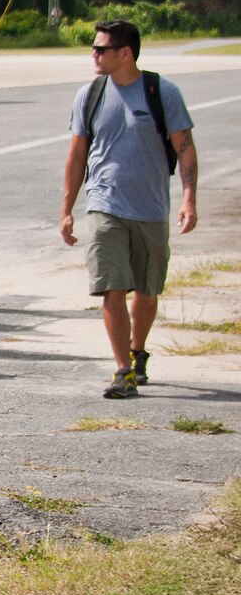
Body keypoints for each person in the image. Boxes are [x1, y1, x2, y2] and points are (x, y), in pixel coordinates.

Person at [60, 20, 198, 399]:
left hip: (151, 209)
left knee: (147, 292)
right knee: (111, 288)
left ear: (125, 53)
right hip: (104, 205)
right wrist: (68, 208)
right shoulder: (88, 95)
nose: (94, 54)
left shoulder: (162, 92)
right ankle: (123, 370)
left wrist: (188, 199)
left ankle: (138, 352)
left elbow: (184, 148)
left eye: (100, 48)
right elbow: (76, 155)